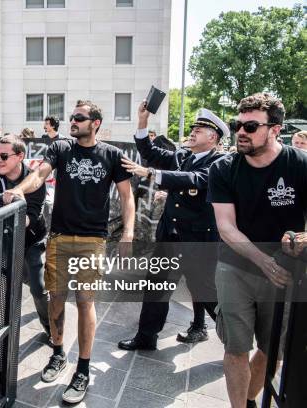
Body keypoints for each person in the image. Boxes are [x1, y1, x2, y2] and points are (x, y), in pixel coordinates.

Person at [3, 100, 135, 404]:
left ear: (96, 123)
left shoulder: (112, 155)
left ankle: (83, 370)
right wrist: (21, 189)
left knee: (86, 303)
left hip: (93, 239)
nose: (72, 121)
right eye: (72, 118)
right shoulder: (61, 148)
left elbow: (127, 197)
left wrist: (128, 232)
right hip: (59, 237)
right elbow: (39, 174)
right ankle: (58, 353)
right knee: (56, 298)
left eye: (79, 118)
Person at [207, 93, 307, 408]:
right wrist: (264, 261)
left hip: (286, 272)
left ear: (275, 129)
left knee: (271, 349)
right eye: (238, 124)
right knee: (236, 348)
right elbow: (226, 227)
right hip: (235, 267)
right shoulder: (223, 167)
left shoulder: (300, 164)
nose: (240, 132)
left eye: (250, 126)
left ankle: (250, 400)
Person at [118, 104, 228, 352]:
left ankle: (234, 340)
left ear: (213, 137)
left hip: (198, 242)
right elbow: (149, 150)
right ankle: (146, 337)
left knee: (206, 292)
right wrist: (142, 120)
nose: (192, 132)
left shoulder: (221, 162)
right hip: (170, 237)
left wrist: (152, 174)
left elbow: (196, 180)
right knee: (156, 285)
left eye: (198, 130)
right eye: (193, 128)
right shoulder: (182, 156)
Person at [0, 135, 50, 340]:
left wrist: (10, 205)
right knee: (1, 282)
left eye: (4, 156)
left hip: (32, 240)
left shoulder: (34, 180)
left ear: (20, 156)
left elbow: (29, 220)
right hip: (5, 238)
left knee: (38, 288)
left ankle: (51, 329)